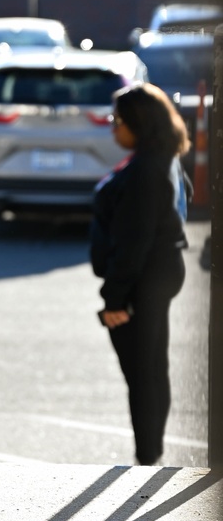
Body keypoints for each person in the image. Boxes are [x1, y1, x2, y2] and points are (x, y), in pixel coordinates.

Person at [90, 83, 189, 465]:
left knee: (143, 374)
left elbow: (135, 240)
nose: (113, 127)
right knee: (151, 367)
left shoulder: (147, 169)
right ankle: (151, 453)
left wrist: (115, 299)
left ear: (138, 123)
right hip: (152, 276)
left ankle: (148, 458)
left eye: (118, 120)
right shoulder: (159, 158)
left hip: (142, 281)